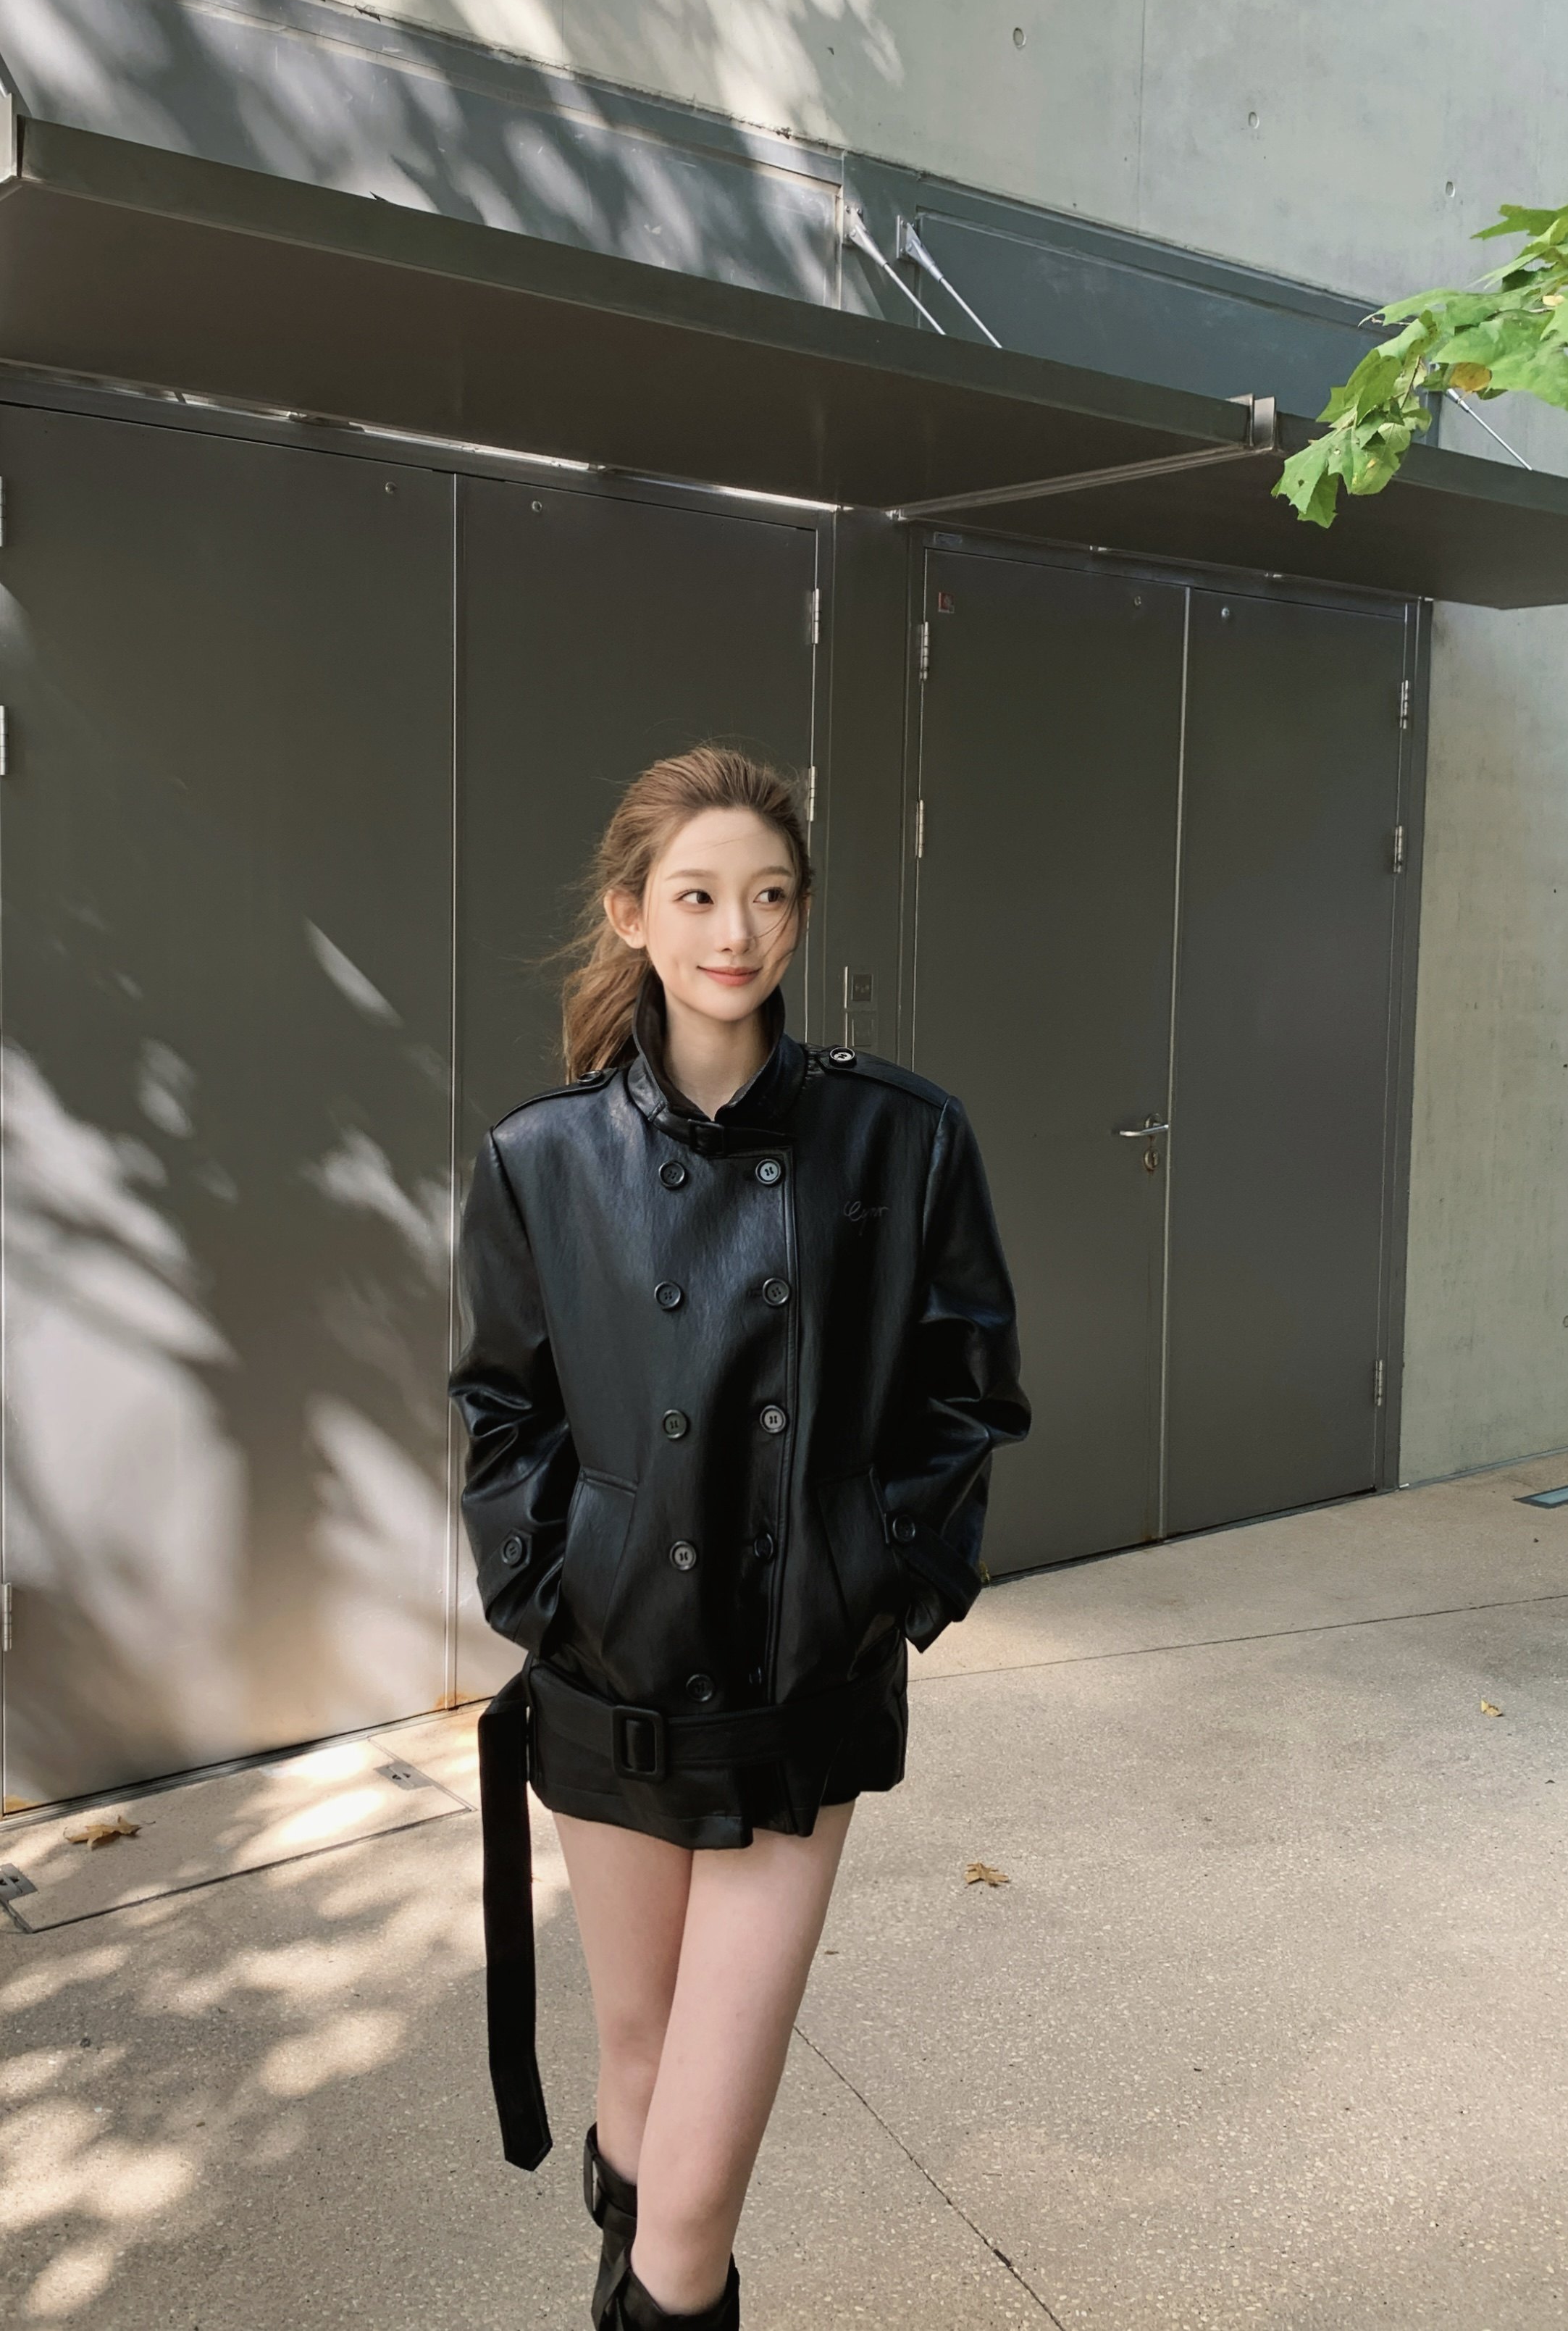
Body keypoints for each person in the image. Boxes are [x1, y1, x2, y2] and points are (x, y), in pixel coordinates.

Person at [450, 744, 1028, 2328]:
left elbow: (967, 1394)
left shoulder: (903, 1136)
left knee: (694, 2202)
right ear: (631, 913)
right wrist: (558, 1590)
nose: (737, 931)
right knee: (637, 2063)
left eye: (769, 896)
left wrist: (877, 1580)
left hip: (798, 1696)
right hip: (610, 1684)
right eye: (699, 895)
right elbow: (502, 1410)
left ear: (800, 915)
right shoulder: (539, 1158)